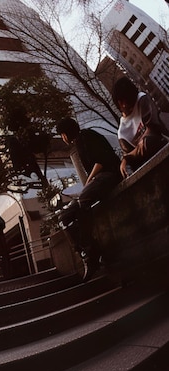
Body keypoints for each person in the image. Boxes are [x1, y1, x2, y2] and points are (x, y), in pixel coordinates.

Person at [56, 117, 122, 281]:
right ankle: (87, 252)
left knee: (83, 199)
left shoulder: (86, 136)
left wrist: (87, 184)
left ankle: (90, 248)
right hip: (99, 179)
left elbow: (100, 162)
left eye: (62, 134)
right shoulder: (79, 142)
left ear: (66, 133)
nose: (63, 139)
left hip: (110, 173)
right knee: (64, 217)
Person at [111, 77, 168, 178]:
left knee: (148, 142)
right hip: (145, 160)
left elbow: (153, 127)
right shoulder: (122, 133)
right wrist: (126, 158)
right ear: (120, 103)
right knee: (125, 167)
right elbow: (131, 156)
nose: (127, 106)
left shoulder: (141, 99)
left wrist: (130, 155)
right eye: (124, 104)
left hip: (161, 141)